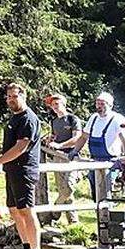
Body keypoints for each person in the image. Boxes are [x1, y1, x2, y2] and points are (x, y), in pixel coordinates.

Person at [0, 83, 42, 249]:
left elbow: (20, 147)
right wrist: (2, 162)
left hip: (24, 170)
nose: (10, 100)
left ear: (23, 96)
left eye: (14, 96)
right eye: (8, 96)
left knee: (26, 210)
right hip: (11, 170)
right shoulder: (13, 119)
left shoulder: (28, 119)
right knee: (14, 210)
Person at [72, 91, 125, 201]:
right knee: (95, 190)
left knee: (106, 191)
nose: (99, 106)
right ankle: (98, 214)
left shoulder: (117, 119)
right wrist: (74, 151)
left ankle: (107, 215)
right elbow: (84, 137)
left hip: (110, 162)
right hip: (94, 161)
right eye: (97, 103)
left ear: (110, 105)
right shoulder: (93, 118)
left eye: (102, 104)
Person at [43, 93, 83, 224]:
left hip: (71, 157)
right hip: (57, 158)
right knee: (63, 190)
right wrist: (50, 140)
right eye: (52, 105)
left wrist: (60, 145)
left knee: (68, 187)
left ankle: (55, 210)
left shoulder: (73, 119)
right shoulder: (54, 121)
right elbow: (54, 136)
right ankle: (73, 221)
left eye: (57, 104)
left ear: (64, 104)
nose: (54, 107)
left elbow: (77, 138)